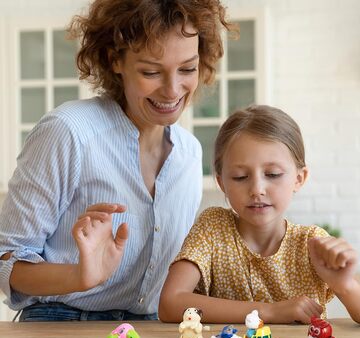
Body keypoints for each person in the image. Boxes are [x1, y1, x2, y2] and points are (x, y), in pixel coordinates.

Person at [0, 0, 235, 321]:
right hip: (61, 321)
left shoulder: (190, 153)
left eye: (187, 69)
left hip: (152, 330)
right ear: (115, 60)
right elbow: (7, 258)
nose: (172, 89)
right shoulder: (70, 132)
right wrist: (79, 275)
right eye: (151, 71)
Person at [158, 105, 360, 325]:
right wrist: (269, 312)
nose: (257, 189)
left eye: (272, 174)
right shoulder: (213, 228)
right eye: (240, 177)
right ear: (221, 182)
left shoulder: (311, 243)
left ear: (299, 179)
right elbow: (170, 304)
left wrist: (345, 286)